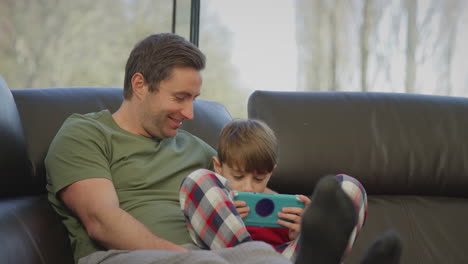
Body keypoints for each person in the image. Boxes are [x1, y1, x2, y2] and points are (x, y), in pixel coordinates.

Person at [46, 33, 402, 264]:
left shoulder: (195, 148)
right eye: (180, 98)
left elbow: (250, 197)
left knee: (343, 193)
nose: (189, 112)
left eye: (194, 99)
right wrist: (192, 257)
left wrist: (298, 224)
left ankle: (310, 255)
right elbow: (101, 221)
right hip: (126, 257)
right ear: (140, 85)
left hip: (223, 254)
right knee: (217, 229)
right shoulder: (84, 133)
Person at [179, 119, 368, 261]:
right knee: (198, 179)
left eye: (259, 179)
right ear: (218, 167)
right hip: (230, 257)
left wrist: (306, 232)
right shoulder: (215, 198)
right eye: (237, 177)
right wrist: (227, 210)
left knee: (350, 188)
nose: (248, 187)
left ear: (271, 172)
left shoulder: (284, 206)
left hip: (287, 259)